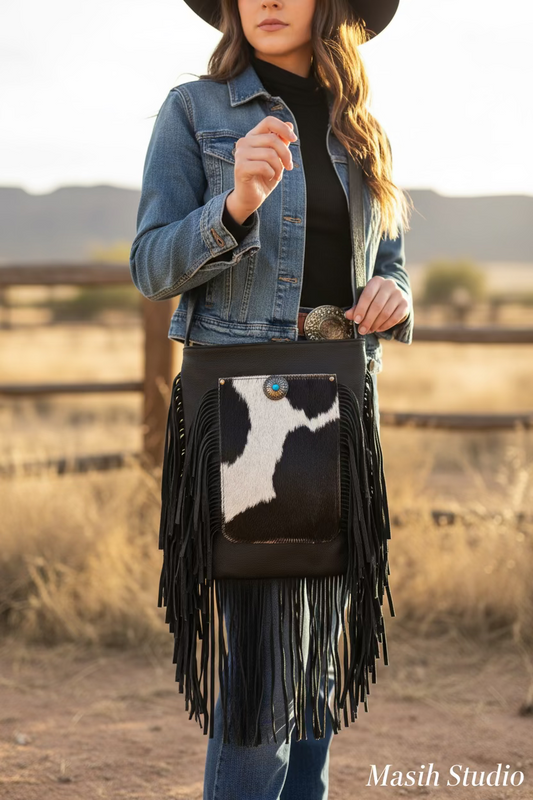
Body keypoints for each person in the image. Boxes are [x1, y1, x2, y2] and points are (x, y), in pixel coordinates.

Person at [129, 0, 414, 795]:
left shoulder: (362, 128)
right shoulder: (194, 111)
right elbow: (152, 266)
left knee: (316, 667)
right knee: (259, 682)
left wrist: (392, 297)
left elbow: (387, 260)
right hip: (245, 418)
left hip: (342, 411)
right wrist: (235, 205)